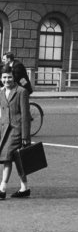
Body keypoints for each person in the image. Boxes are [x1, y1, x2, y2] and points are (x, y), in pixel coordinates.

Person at [0, 67, 31, 198]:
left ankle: (2, 189)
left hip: (16, 130)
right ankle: (25, 188)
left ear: (14, 78)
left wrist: (25, 137)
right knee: (18, 160)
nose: (7, 80)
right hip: (4, 130)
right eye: (4, 77)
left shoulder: (21, 92)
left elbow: (25, 116)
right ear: (1, 79)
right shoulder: (1, 92)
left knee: (6, 156)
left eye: (9, 77)